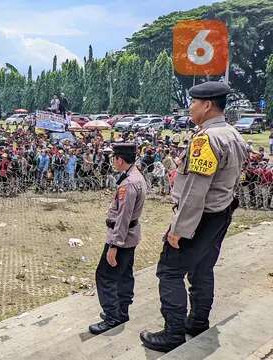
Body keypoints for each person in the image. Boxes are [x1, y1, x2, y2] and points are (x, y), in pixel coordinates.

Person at [140, 81, 249, 352]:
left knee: (169, 271)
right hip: (220, 213)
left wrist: (178, 229)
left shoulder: (206, 139)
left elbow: (194, 191)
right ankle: (198, 321)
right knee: (202, 268)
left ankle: (173, 333)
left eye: (193, 103)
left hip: (199, 218)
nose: (190, 108)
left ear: (207, 105)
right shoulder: (233, 134)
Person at [89, 143, 147, 335]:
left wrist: (114, 245)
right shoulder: (136, 177)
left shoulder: (128, 184)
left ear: (120, 159)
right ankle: (122, 311)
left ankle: (112, 315)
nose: (113, 162)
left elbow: (123, 216)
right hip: (129, 237)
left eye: (114, 158)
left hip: (120, 237)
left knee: (105, 275)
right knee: (124, 274)